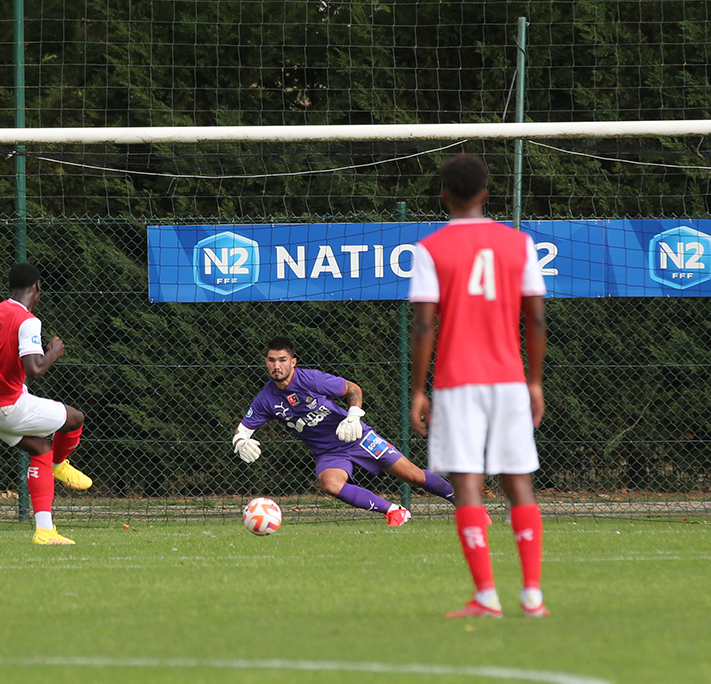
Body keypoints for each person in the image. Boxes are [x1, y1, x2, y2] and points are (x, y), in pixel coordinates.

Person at [409, 154, 549, 619]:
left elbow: (424, 325)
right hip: (509, 380)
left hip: (457, 383)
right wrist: (534, 381)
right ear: (487, 195)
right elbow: (536, 317)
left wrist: (418, 389)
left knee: (467, 484)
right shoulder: (520, 243)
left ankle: (487, 596)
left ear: (444, 196)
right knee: (519, 483)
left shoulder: (431, 249)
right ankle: (532, 596)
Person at [231, 336, 455, 525]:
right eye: (272, 361)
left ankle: (464, 502)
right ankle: (394, 511)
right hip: (328, 453)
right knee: (330, 484)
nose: (277, 366)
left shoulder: (311, 379)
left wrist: (354, 416)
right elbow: (242, 430)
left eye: (282, 360)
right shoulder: (266, 399)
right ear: (266, 362)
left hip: (357, 437)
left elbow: (352, 388)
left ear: (293, 362)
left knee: (413, 476)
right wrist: (240, 443)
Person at [0, 262, 93, 545]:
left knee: (41, 446)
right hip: (6, 406)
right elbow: (34, 368)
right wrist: (53, 353)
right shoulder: (28, 321)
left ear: (10, 289)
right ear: (37, 287)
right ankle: (60, 464)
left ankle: (45, 531)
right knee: (75, 418)